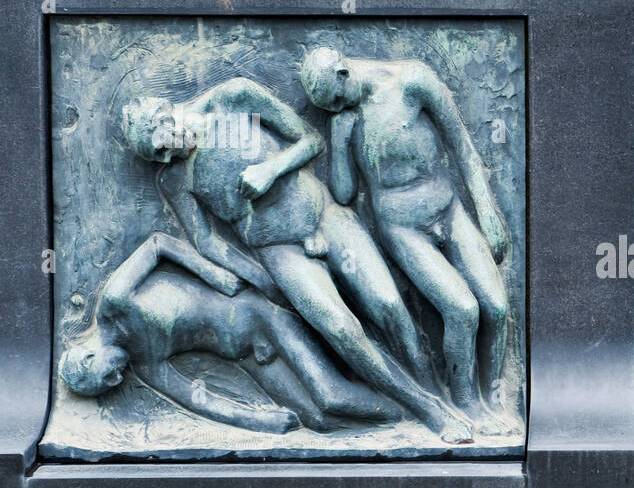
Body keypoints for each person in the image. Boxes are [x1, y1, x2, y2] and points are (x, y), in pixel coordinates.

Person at [120, 79, 469, 439]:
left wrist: (271, 169)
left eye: (162, 146)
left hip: (327, 220)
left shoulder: (234, 98)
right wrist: (261, 279)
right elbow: (206, 241)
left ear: (166, 117)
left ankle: (434, 394)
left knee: (388, 306)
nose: (165, 157)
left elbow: (311, 140)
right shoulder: (175, 178)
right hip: (279, 251)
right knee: (340, 329)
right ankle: (427, 410)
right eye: (157, 157)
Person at [59, 233, 470, 439]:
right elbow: (199, 399)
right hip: (248, 356)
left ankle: (420, 412)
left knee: (332, 395)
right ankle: (400, 418)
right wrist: (258, 419)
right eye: (109, 387)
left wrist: (215, 274)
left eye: (106, 377)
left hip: (259, 316)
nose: (117, 380)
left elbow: (158, 244)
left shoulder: (115, 301)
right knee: (317, 420)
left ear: (90, 357)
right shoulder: (144, 364)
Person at [299, 48, 516, 430]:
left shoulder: (413, 81)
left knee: (496, 308)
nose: (335, 109)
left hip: (449, 210)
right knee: (462, 309)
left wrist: (487, 212)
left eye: (335, 98)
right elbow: (346, 194)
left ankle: (495, 400)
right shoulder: (344, 119)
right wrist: (339, 140)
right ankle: (467, 405)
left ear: (344, 72)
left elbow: (462, 147)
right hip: (401, 228)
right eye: (327, 107)